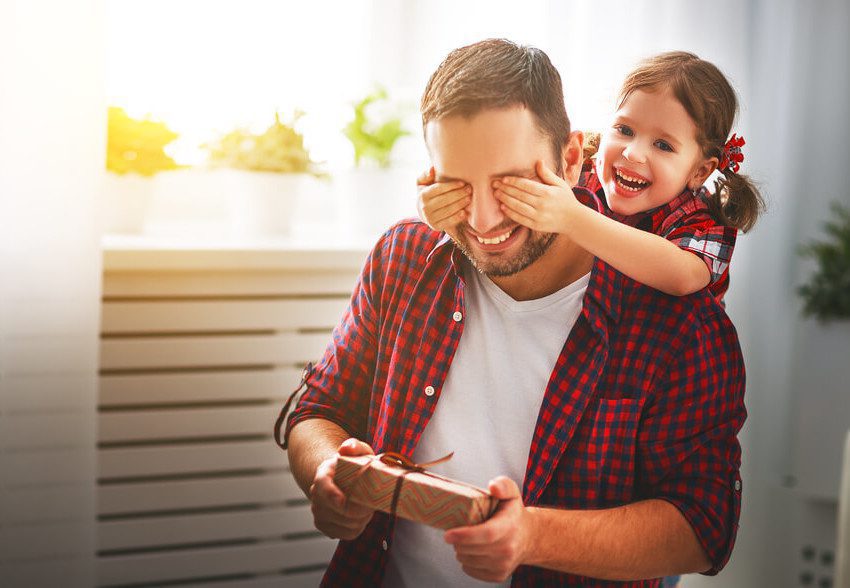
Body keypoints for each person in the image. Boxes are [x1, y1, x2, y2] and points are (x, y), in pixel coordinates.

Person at [279, 39, 746, 587]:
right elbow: (317, 409)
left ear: (570, 159)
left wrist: (532, 537)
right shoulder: (404, 258)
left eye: (510, 184)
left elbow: (704, 527)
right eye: (457, 183)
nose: (480, 219)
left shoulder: (681, 320)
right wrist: (328, 472)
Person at [419, 51, 763, 303]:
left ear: (700, 170)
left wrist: (573, 218)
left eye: (663, 145)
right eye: (625, 129)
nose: (633, 153)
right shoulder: (581, 168)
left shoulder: (701, 219)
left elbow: (682, 277)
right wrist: (435, 203)